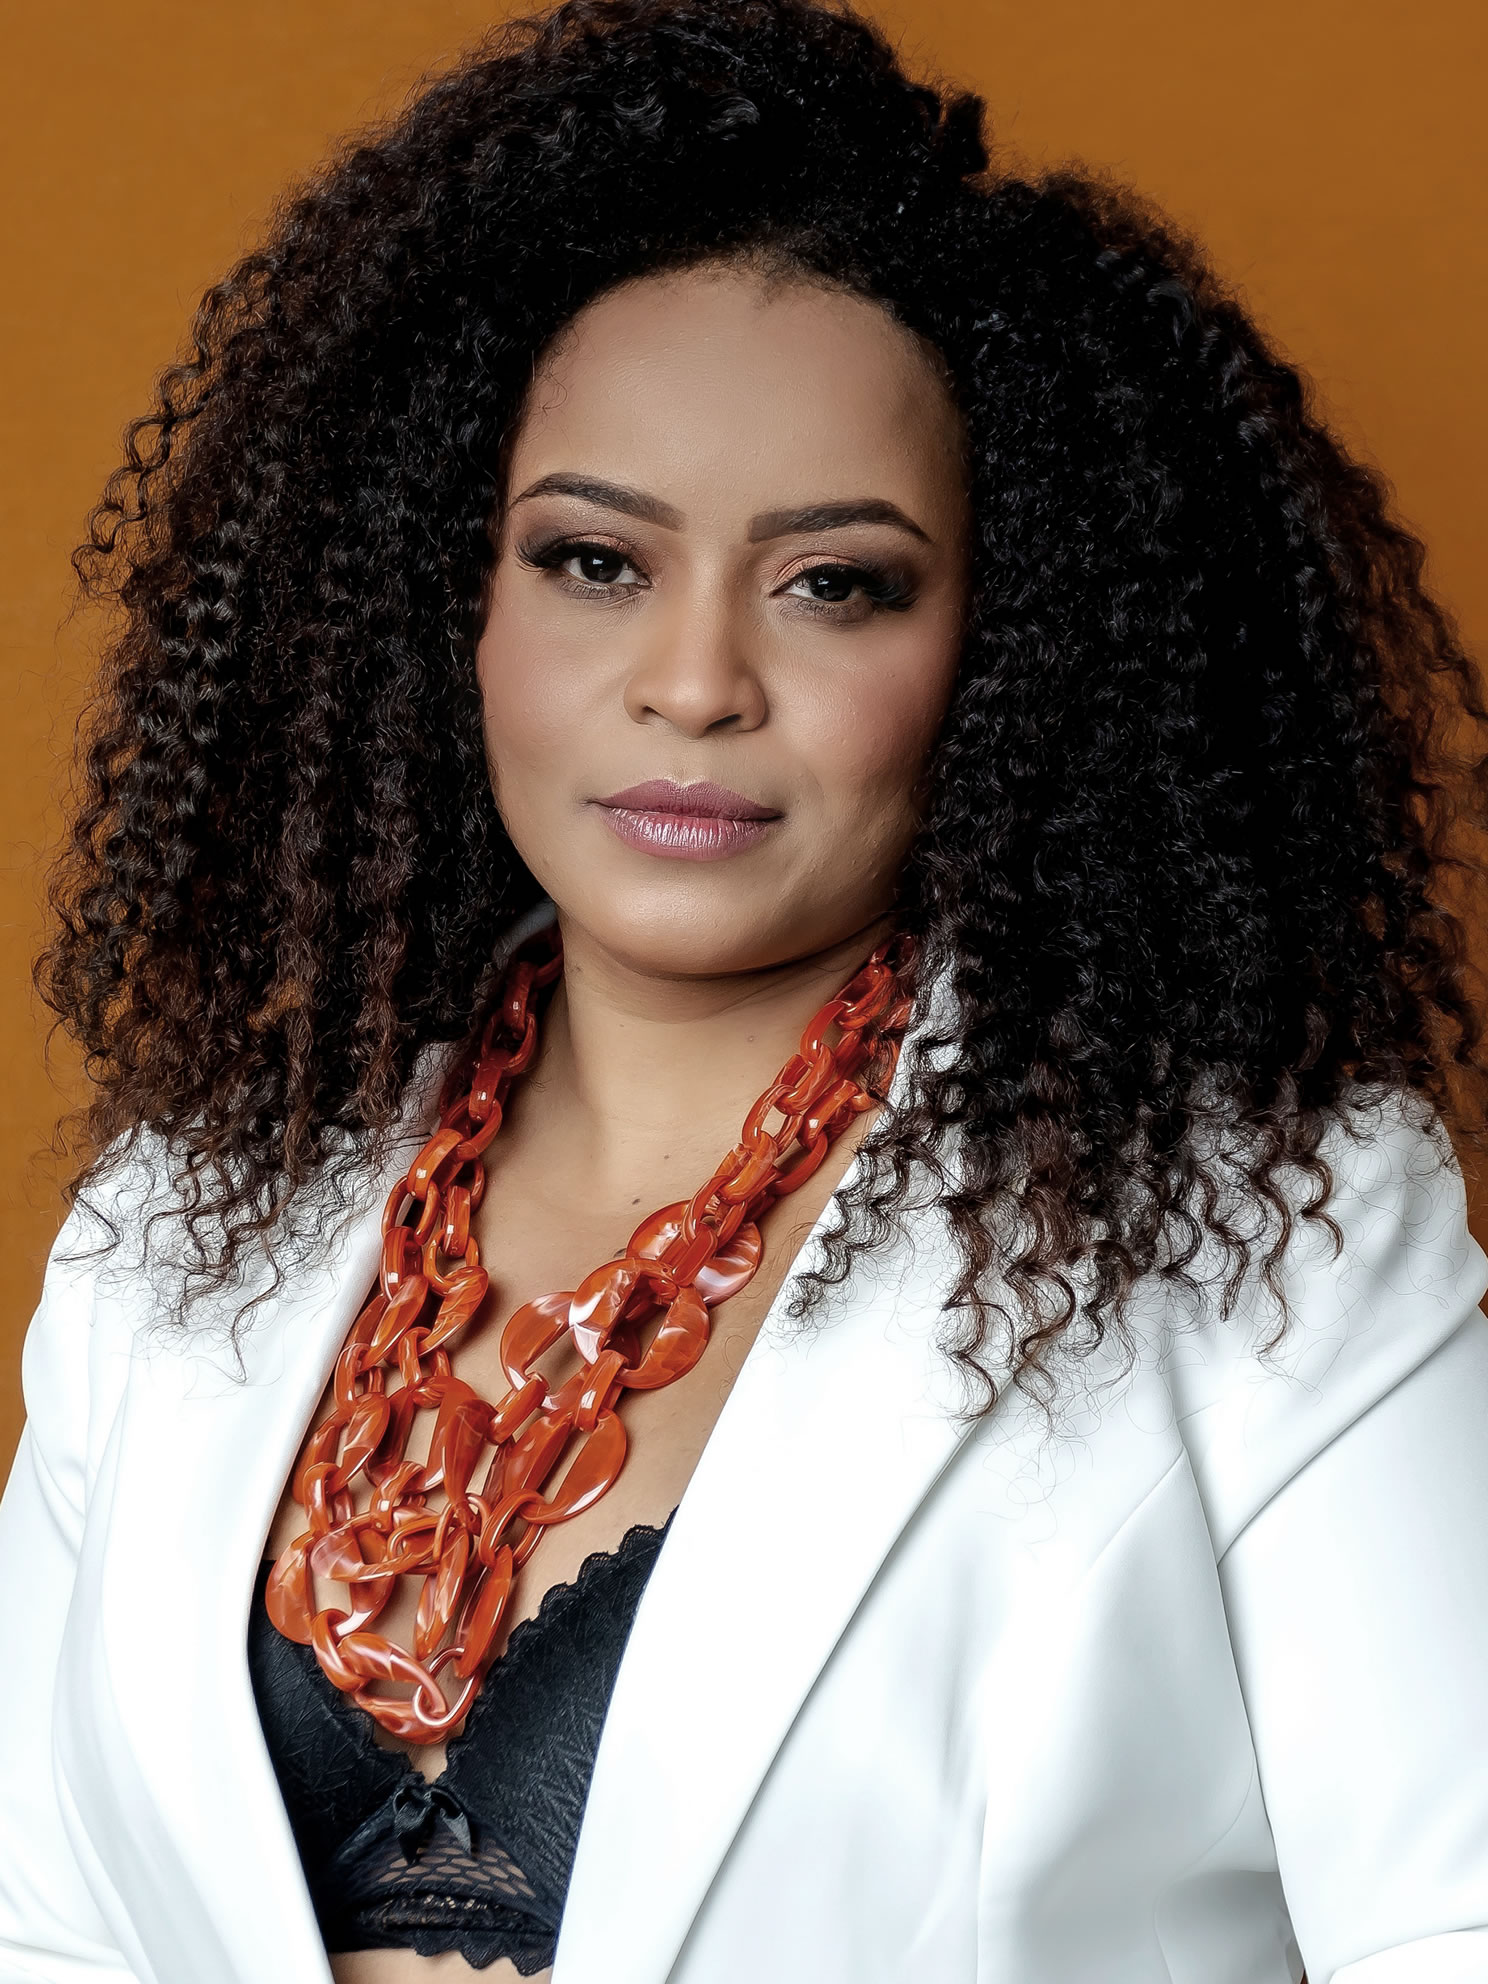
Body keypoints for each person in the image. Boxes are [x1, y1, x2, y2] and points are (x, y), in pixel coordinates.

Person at [4, 0, 1488, 1979]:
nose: (696, 682)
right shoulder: (174, 1232)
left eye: (835, 582)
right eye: (593, 560)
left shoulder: (1265, 1235)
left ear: (1008, 644)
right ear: (447, 595)